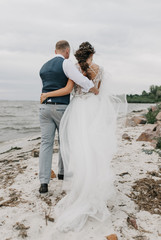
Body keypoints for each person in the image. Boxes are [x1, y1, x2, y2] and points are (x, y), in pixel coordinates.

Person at [40, 42, 120, 231]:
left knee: (76, 146)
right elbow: (98, 90)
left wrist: (46, 95)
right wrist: (93, 90)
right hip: (93, 109)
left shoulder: (74, 69)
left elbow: (70, 89)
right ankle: (88, 181)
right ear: (92, 54)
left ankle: (66, 183)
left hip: (77, 110)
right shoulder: (99, 69)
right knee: (92, 146)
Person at [39, 40, 98, 194]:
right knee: (64, 140)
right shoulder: (65, 63)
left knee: (46, 144)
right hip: (60, 107)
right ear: (66, 51)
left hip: (44, 107)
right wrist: (93, 88)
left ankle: (44, 183)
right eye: (68, 53)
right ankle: (62, 173)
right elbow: (79, 79)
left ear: (55, 51)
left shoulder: (44, 66)